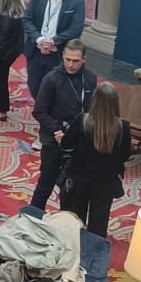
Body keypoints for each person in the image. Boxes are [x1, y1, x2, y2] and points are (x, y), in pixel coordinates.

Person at [59, 80, 133, 238]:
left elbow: (66, 145)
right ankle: (94, 251)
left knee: (73, 222)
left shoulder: (82, 120)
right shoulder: (123, 127)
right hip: (106, 182)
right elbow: (125, 156)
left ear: (94, 100)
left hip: (79, 178)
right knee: (99, 224)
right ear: (115, 102)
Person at [31, 40, 96, 209]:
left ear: (84, 59)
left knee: (71, 187)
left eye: (75, 61)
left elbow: (91, 111)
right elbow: (39, 112)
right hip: (54, 141)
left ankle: (66, 220)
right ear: (62, 56)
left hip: (78, 142)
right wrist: (57, 129)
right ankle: (32, 216)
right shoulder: (51, 79)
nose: (71, 64)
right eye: (68, 59)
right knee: (45, 184)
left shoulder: (90, 79)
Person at [23, 0, 86, 97]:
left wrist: (53, 41)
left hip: (57, 53)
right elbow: (27, 20)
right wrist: (39, 39)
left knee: (54, 89)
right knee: (34, 85)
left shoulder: (76, 2)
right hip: (36, 50)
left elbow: (76, 29)